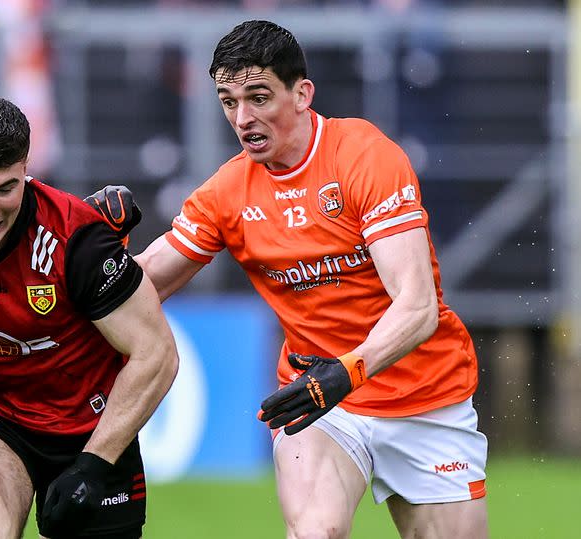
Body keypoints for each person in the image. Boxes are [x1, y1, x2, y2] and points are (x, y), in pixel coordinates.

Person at [97, 19, 488, 539]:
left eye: (259, 97)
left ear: (302, 93)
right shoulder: (227, 191)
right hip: (319, 403)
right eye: (228, 101)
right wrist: (99, 249)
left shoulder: (365, 157)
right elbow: (145, 284)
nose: (243, 117)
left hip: (424, 396)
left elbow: (416, 307)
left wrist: (345, 373)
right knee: (315, 532)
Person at [0, 94, 179, 539]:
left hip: (91, 430)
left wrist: (95, 464)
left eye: (5, 188)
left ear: (26, 171)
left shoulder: (79, 241)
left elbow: (155, 354)